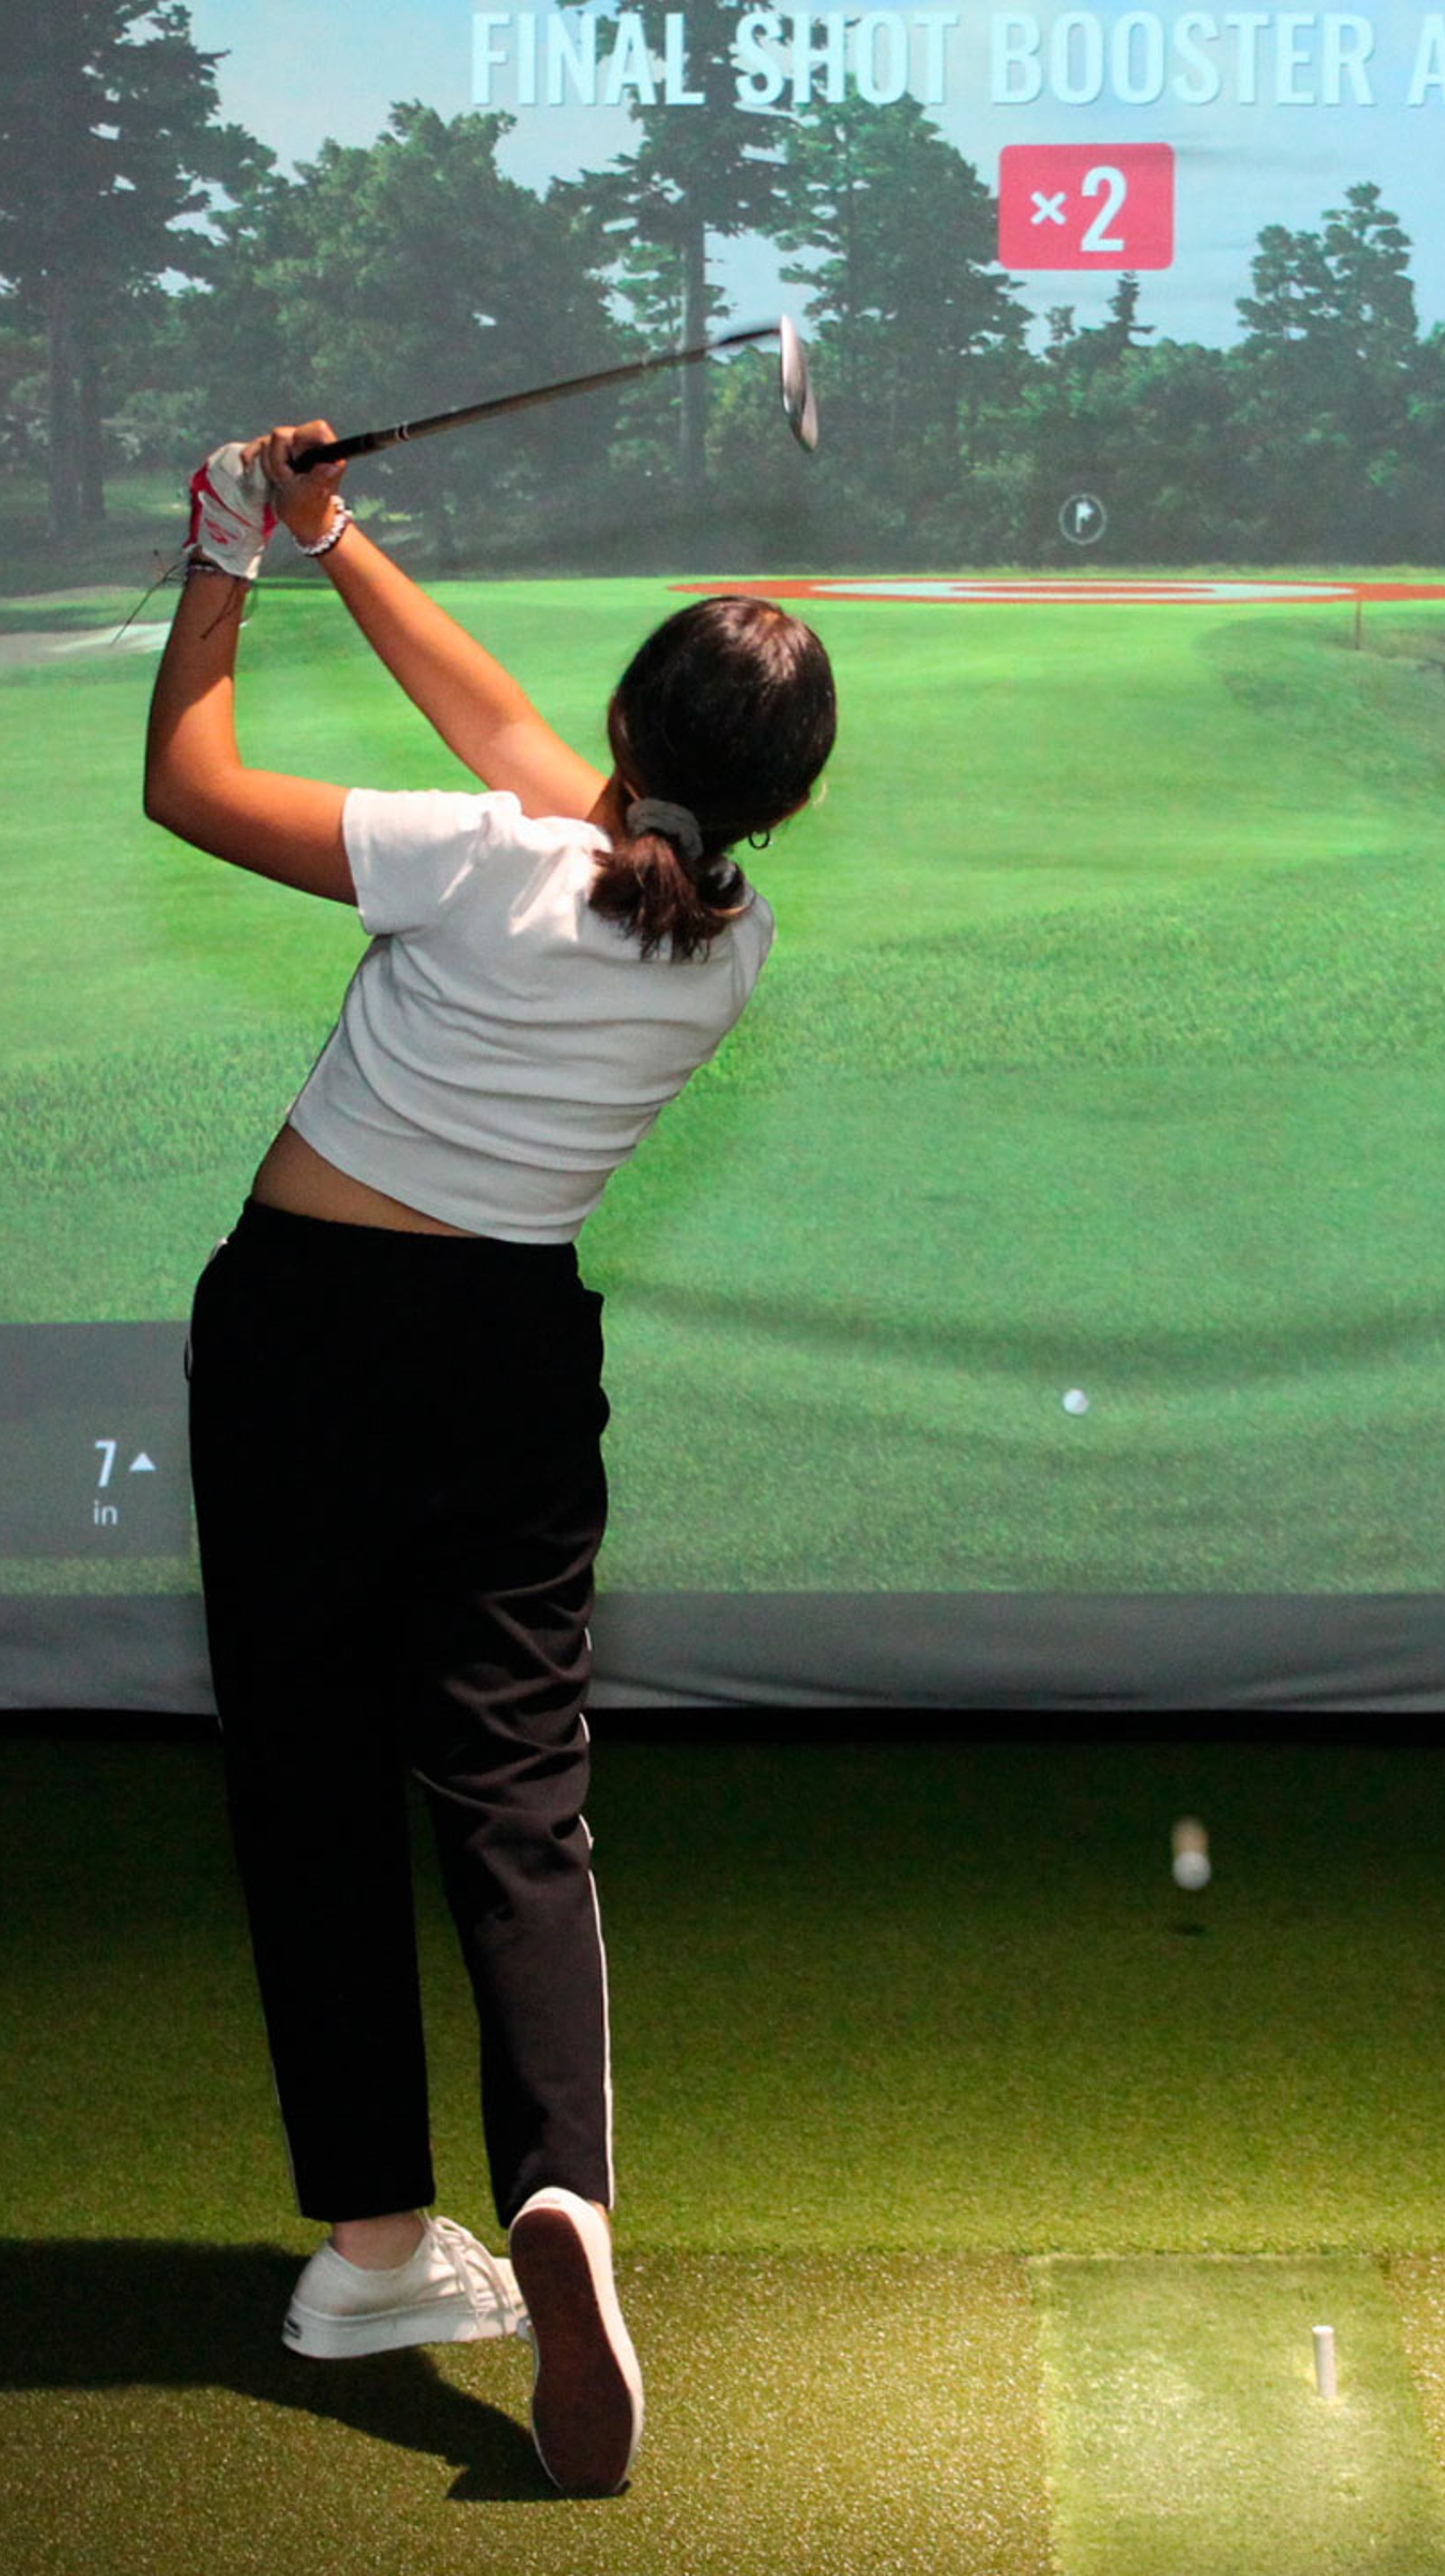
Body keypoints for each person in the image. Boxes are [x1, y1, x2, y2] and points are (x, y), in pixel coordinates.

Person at [143, 427, 836, 2495]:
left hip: (302, 1339)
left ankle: (374, 2249)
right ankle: (563, 2202)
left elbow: (189, 783)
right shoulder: (725, 946)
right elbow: (516, 740)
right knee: (520, 1803)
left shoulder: (478, 860)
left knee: (311, 1783)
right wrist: (334, 537)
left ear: (627, 727)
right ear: (785, 804)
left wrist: (222, 556)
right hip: (512, 1366)